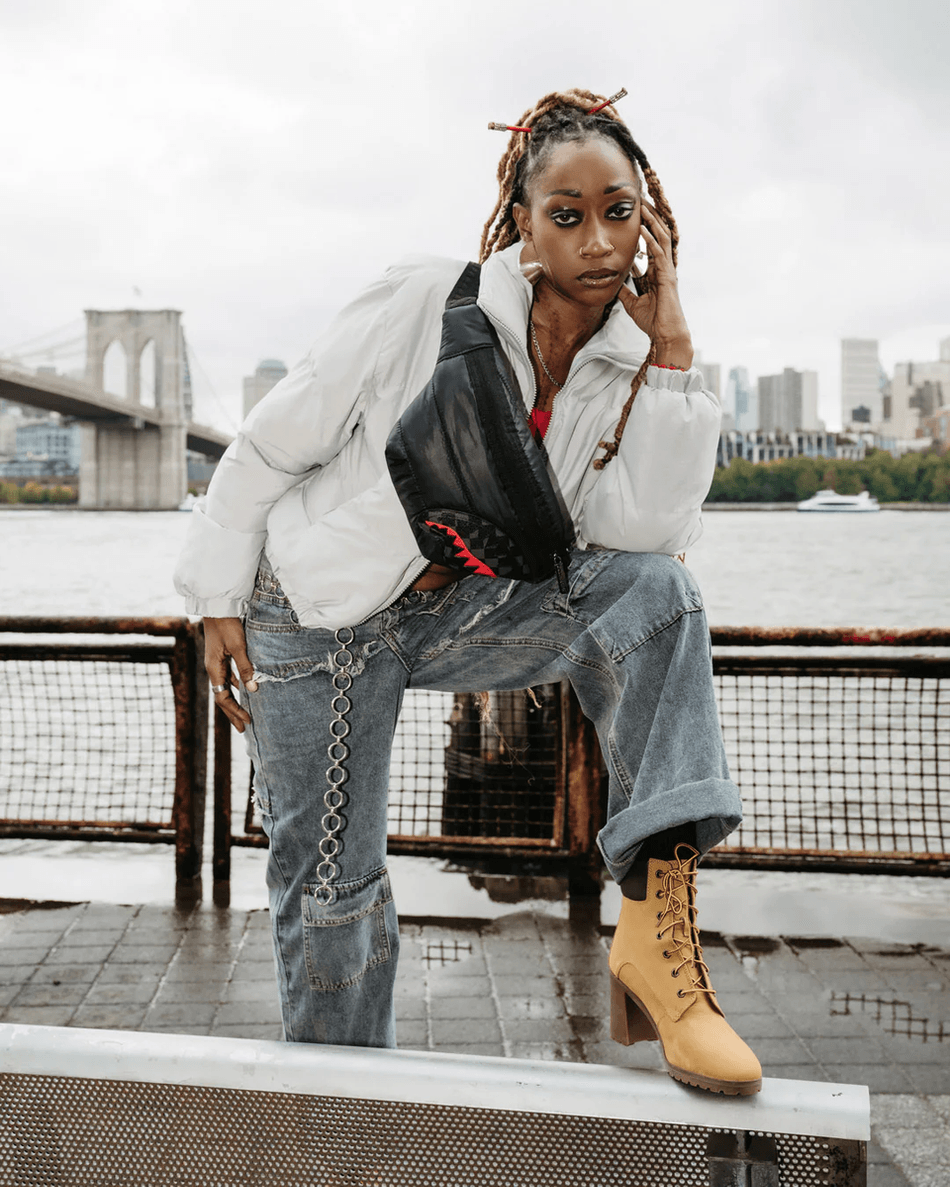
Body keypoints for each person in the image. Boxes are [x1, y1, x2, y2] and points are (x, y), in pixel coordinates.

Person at [174, 88, 762, 1096]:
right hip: (317, 614)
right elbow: (273, 442)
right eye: (566, 214)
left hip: (461, 613)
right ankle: (346, 1109)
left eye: (617, 212)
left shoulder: (631, 363)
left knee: (660, 597)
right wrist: (215, 596)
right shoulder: (423, 303)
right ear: (523, 222)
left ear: (650, 226)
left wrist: (668, 355)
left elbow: (643, 539)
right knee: (333, 886)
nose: (596, 240)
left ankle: (655, 935)